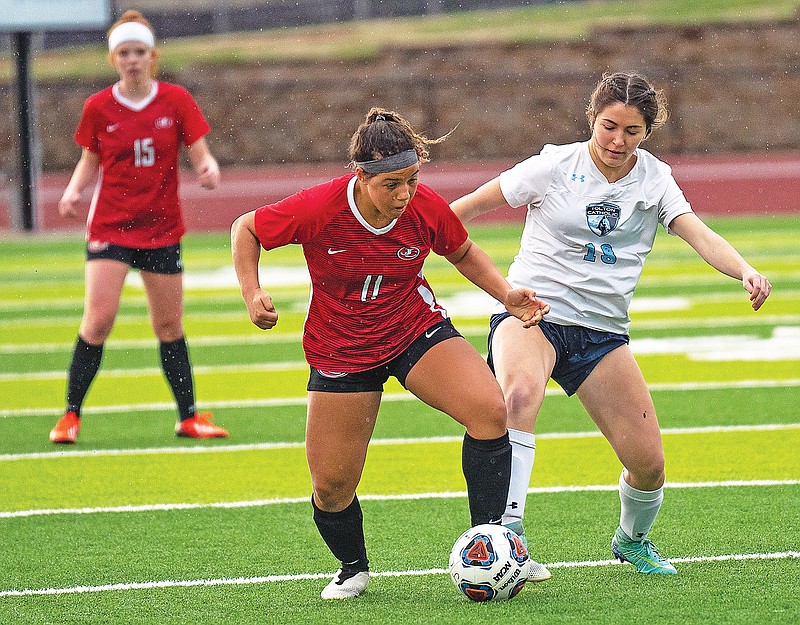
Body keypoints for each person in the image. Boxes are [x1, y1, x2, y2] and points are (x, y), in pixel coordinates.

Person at [451, 71, 772, 576]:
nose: (618, 141)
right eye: (609, 127)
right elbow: (462, 211)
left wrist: (746, 271)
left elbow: (699, 234)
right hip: (534, 310)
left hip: (601, 332)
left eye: (633, 131)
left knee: (649, 466)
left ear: (648, 132)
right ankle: (507, 534)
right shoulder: (555, 164)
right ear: (592, 120)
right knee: (518, 398)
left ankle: (633, 541)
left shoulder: (655, 178)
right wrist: (408, 244)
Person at [230, 107, 551, 599]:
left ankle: (495, 543)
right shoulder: (319, 207)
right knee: (331, 488)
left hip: (411, 327)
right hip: (342, 347)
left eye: (413, 180)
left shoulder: (423, 206)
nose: (405, 194)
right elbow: (245, 229)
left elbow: (461, 251)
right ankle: (353, 566)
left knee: (490, 410)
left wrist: (506, 295)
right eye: (392, 184)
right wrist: (253, 292)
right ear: (361, 177)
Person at [49, 10, 228, 444]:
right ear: (114, 59)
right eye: (124, 53)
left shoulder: (176, 100)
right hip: (111, 226)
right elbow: (91, 158)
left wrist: (207, 167)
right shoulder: (99, 107)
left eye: (140, 52)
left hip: (162, 227)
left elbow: (200, 151)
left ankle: (189, 416)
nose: (132, 60)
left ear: (153, 56)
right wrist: (74, 191)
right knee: (99, 320)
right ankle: (70, 416)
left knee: (169, 326)